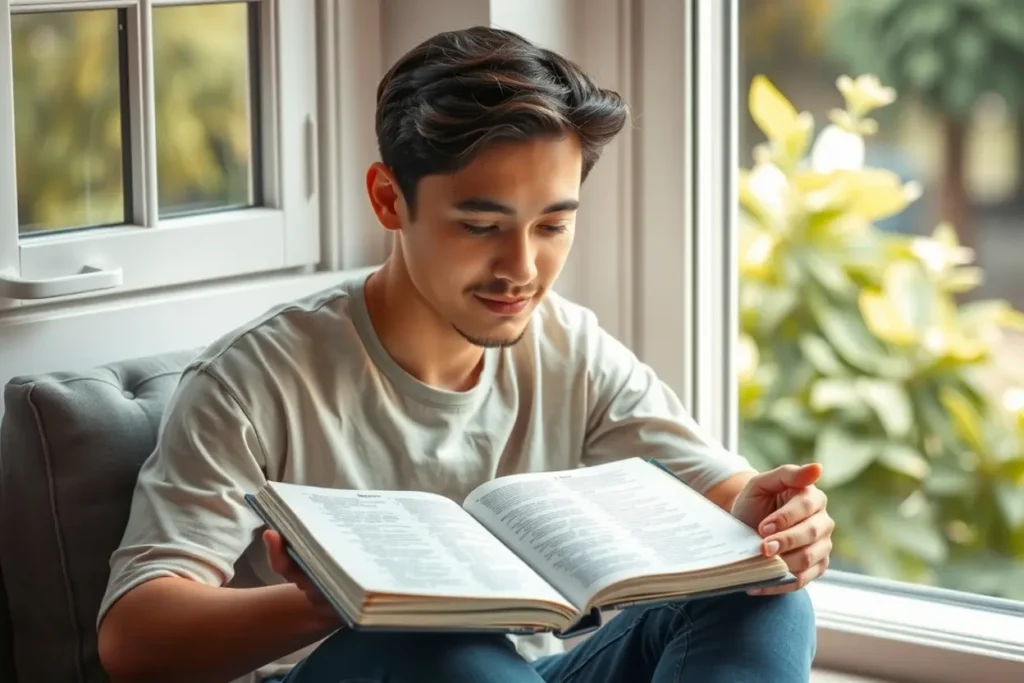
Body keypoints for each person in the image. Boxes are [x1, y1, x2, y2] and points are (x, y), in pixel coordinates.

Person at [96, 25, 832, 683]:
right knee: (439, 645)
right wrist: (338, 598)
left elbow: (728, 494)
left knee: (764, 594)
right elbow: (133, 637)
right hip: (374, 668)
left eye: (551, 225)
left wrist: (775, 520)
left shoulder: (569, 347)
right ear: (389, 199)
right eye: (482, 226)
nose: (522, 268)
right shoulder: (252, 380)